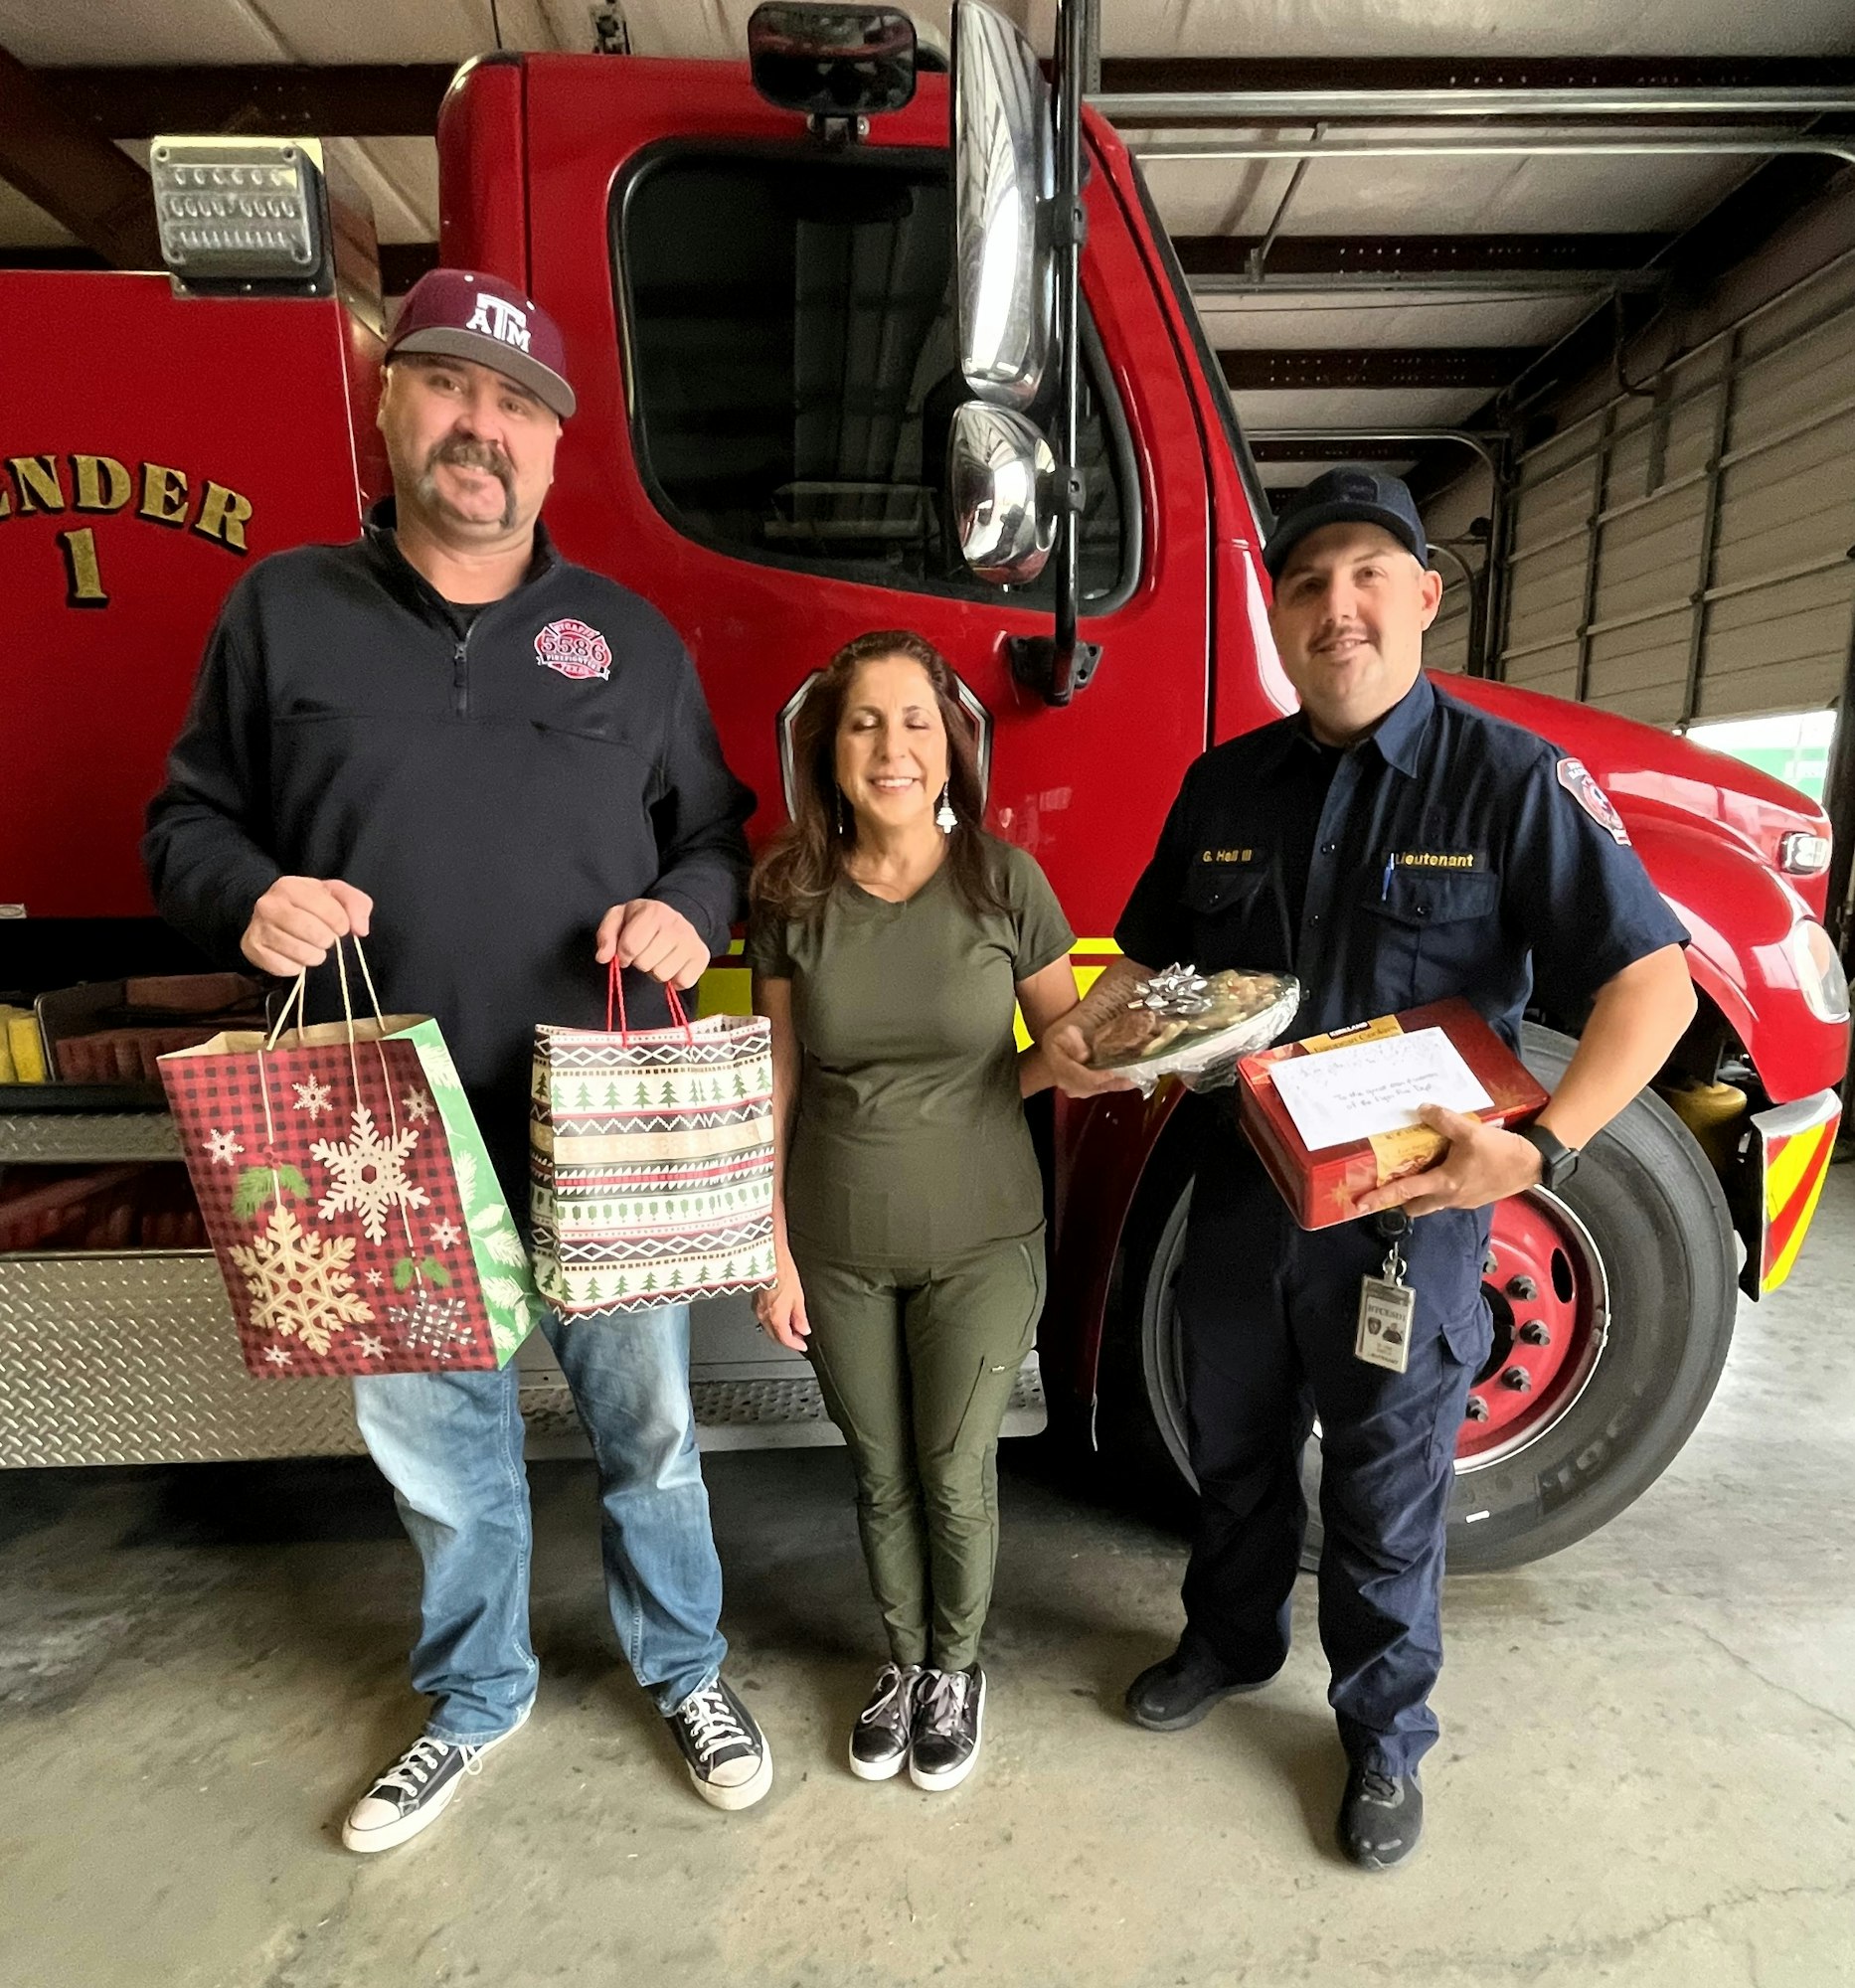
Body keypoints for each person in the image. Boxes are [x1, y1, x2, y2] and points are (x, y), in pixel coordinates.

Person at [143, 268, 771, 1850]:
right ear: (388, 401)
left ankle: (684, 1665)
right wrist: (249, 892)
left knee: (651, 1434)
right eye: (446, 387)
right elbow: (185, 822)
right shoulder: (282, 610)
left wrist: (691, 916)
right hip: (376, 1127)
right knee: (440, 1455)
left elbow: (714, 836)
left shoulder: (623, 641)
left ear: (554, 450)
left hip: (603, 1119)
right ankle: (477, 1697)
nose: (478, 426)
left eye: (515, 406)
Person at [1041, 467, 1696, 1870]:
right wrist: (1090, 1042)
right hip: (1235, 1193)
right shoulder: (1224, 785)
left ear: (1418, 595)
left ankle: (1382, 1735)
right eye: (1304, 581)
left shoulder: (1508, 783)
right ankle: (1225, 1642)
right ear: (1275, 612)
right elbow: (1153, 967)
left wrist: (1537, 1149)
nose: (1334, 607)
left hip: (1409, 1218)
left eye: (1363, 575)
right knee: (1228, 1448)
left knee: (1386, 1492)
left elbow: (1655, 983)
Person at [746, 630, 1081, 1791]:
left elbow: (1065, 1046)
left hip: (983, 1233)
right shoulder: (788, 895)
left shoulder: (1005, 883)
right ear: (829, 750)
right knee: (877, 1469)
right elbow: (777, 1077)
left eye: (916, 721)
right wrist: (772, 1248)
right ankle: (901, 1660)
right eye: (865, 722)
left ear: (952, 749)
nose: (893, 745)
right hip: (835, 1242)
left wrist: (1079, 1062)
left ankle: (957, 1664)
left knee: (951, 1466)